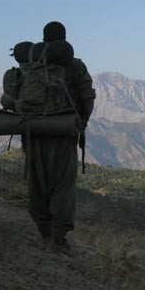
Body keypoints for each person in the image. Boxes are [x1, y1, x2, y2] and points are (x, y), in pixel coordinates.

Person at [25, 21, 95, 256]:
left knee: (38, 186)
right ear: (64, 39)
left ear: (43, 41)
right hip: (63, 134)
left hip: (32, 135)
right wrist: (81, 123)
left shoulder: (29, 66)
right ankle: (57, 242)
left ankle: (46, 237)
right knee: (62, 188)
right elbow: (87, 98)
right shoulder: (74, 66)